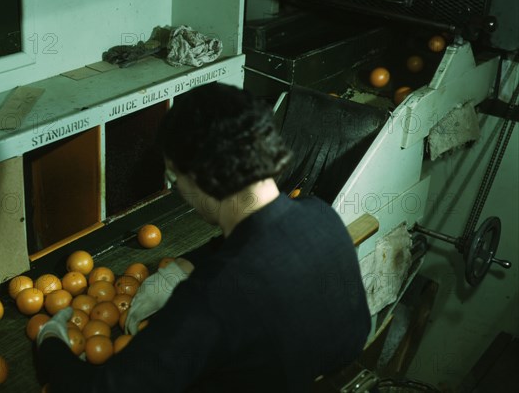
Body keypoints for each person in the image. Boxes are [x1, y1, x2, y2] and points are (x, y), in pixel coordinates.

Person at [37, 83, 371, 392]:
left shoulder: (210, 298)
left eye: (173, 176)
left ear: (198, 175)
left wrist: (50, 342)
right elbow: (259, 244)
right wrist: (180, 268)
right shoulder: (321, 215)